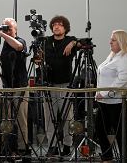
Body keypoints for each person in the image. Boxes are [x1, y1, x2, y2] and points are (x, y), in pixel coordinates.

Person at [0, 18, 29, 156]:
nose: (7, 31)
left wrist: (2, 34)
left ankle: (22, 148)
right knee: (6, 119)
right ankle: (6, 147)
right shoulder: (3, 45)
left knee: (20, 118)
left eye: (9, 28)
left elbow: (18, 47)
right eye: (5, 28)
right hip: (7, 87)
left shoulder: (21, 40)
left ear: (16, 29)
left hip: (20, 87)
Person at [95, 30, 127, 163]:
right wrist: (98, 92)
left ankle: (126, 159)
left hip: (120, 101)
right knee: (99, 127)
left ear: (121, 41)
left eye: (113, 40)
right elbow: (102, 74)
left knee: (121, 134)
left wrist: (104, 93)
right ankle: (108, 157)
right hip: (105, 100)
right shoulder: (113, 55)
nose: (110, 42)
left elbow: (121, 80)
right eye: (111, 39)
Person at [44, 15, 78, 156]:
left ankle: (67, 145)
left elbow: (83, 42)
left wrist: (73, 43)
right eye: (54, 24)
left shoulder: (70, 40)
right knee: (49, 118)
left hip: (65, 84)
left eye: (60, 24)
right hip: (49, 84)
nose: (56, 27)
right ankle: (52, 146)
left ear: (65, 28)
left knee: (67, 117)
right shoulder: (46, 41)